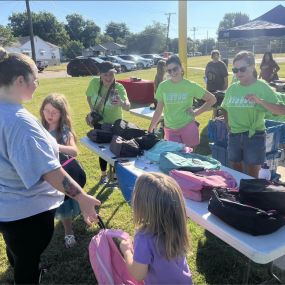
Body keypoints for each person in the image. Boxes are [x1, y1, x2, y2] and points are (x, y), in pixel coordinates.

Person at [0, 47, 100, 284]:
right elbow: (50, 172)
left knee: (17, 250)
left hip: (7, 206)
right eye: (35, 78)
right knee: (28, 258)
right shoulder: (20, 122)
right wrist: (83, 198)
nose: (37, 84)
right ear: (20, 79)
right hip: (26, 212)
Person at [221, 50, 285, 178]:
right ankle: (240, 194)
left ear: (252, 67)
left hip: (254, 136)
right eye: (235, 70)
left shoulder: (262, 87)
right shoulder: (233, 88)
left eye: (242, 69)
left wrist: (260, 101)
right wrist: (227, 123)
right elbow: (224, 107)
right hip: (234, 136)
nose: (238, 73)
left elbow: (281, 110)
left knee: (253, 175)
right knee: (236, 171)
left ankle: (251, 196)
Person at [119, 172, 192, 284]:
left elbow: (138, 274)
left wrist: (127, 251)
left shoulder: (144, 238)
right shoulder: (178, 227)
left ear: (141, 204)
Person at [40, 93, 84, 248]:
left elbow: (74, 151)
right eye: (46, 111)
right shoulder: (40, 128)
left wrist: (54, 146)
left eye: (54, 112)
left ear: (61, 113)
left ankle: (68, 232)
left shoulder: (64, 130)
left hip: (64, 173)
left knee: (65, 205)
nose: (49, 115)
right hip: (46, 174)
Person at [148, 55, 216, 148]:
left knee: (190, 158)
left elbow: (212, 99)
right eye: (169, 70)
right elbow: (159, 110)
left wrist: (196, 113)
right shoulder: (163, 86)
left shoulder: (190, 86)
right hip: (170, 129)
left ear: (181, 67)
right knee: (174, 159)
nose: (172, 73)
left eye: (175, 69)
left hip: (188, 127)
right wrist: (151, 127)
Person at [85, 61, 130, 184]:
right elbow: (88, 96)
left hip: (115, 124)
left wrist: (121, 103)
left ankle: (114, 175)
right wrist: (92, 110)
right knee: (102, 150)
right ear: (100, 74)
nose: (109, 78)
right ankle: (104, 175)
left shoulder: (119, 87)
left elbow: (128, 106)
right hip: (100, 122)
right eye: (105, 75)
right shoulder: (94, 83)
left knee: (115, 149)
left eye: (111, 74)